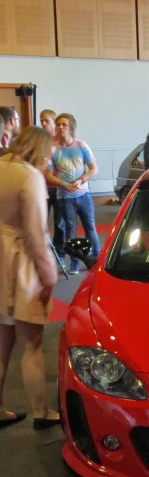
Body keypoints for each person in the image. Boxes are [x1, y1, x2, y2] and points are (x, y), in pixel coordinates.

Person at [0, 126, 59, 429]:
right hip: (20, 265)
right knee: (32, 344)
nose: (49, 161)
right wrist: (49, 277)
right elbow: (37, 235)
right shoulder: (30, 177)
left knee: (2, 343)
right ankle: (42, 412)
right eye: (48, 155)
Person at [47, 113, 100, 275]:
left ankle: (97, 259)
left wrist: (81, 180)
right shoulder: (53, 149)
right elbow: (48, 174)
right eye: (58, 124)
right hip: (64, 197)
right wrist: (65, 184)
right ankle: (74, 263)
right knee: (71, 230)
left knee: (90, 227)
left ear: (71, 127)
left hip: (83, 195)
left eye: (64, 124)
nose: (60, 127)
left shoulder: (81, 146)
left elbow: (93, 169)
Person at [39, 109, 65, 263]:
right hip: (42, 188)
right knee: (40, 222)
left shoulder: (61, 141)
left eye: (46, 121)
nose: (43, 123)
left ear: (53, 123)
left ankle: (59, 255)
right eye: (41, 120)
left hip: (59, 188)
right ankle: (42, 254)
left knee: (59, 224)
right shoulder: (40, 141)